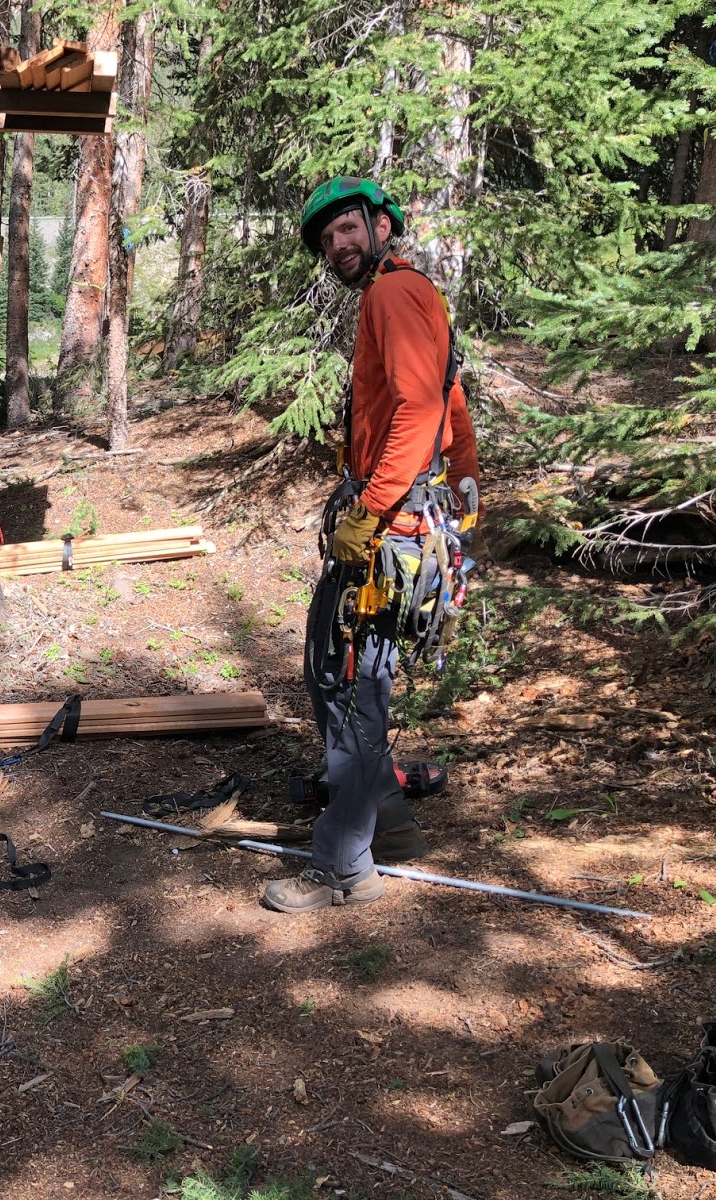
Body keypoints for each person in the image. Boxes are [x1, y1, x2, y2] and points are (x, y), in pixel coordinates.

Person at [261, 178, 481, 915]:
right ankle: (386, 814)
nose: (338, 247)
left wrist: (375, 508)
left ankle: (342, 864)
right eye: (328, 241)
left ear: (381, 226)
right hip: (404, 521)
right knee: (339, 675)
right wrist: (468, 481)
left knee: (349, 689)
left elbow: (422, 406)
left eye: (347, 230)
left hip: (391, 532)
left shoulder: (392, 294)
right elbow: (451, 398)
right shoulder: (414, 293)